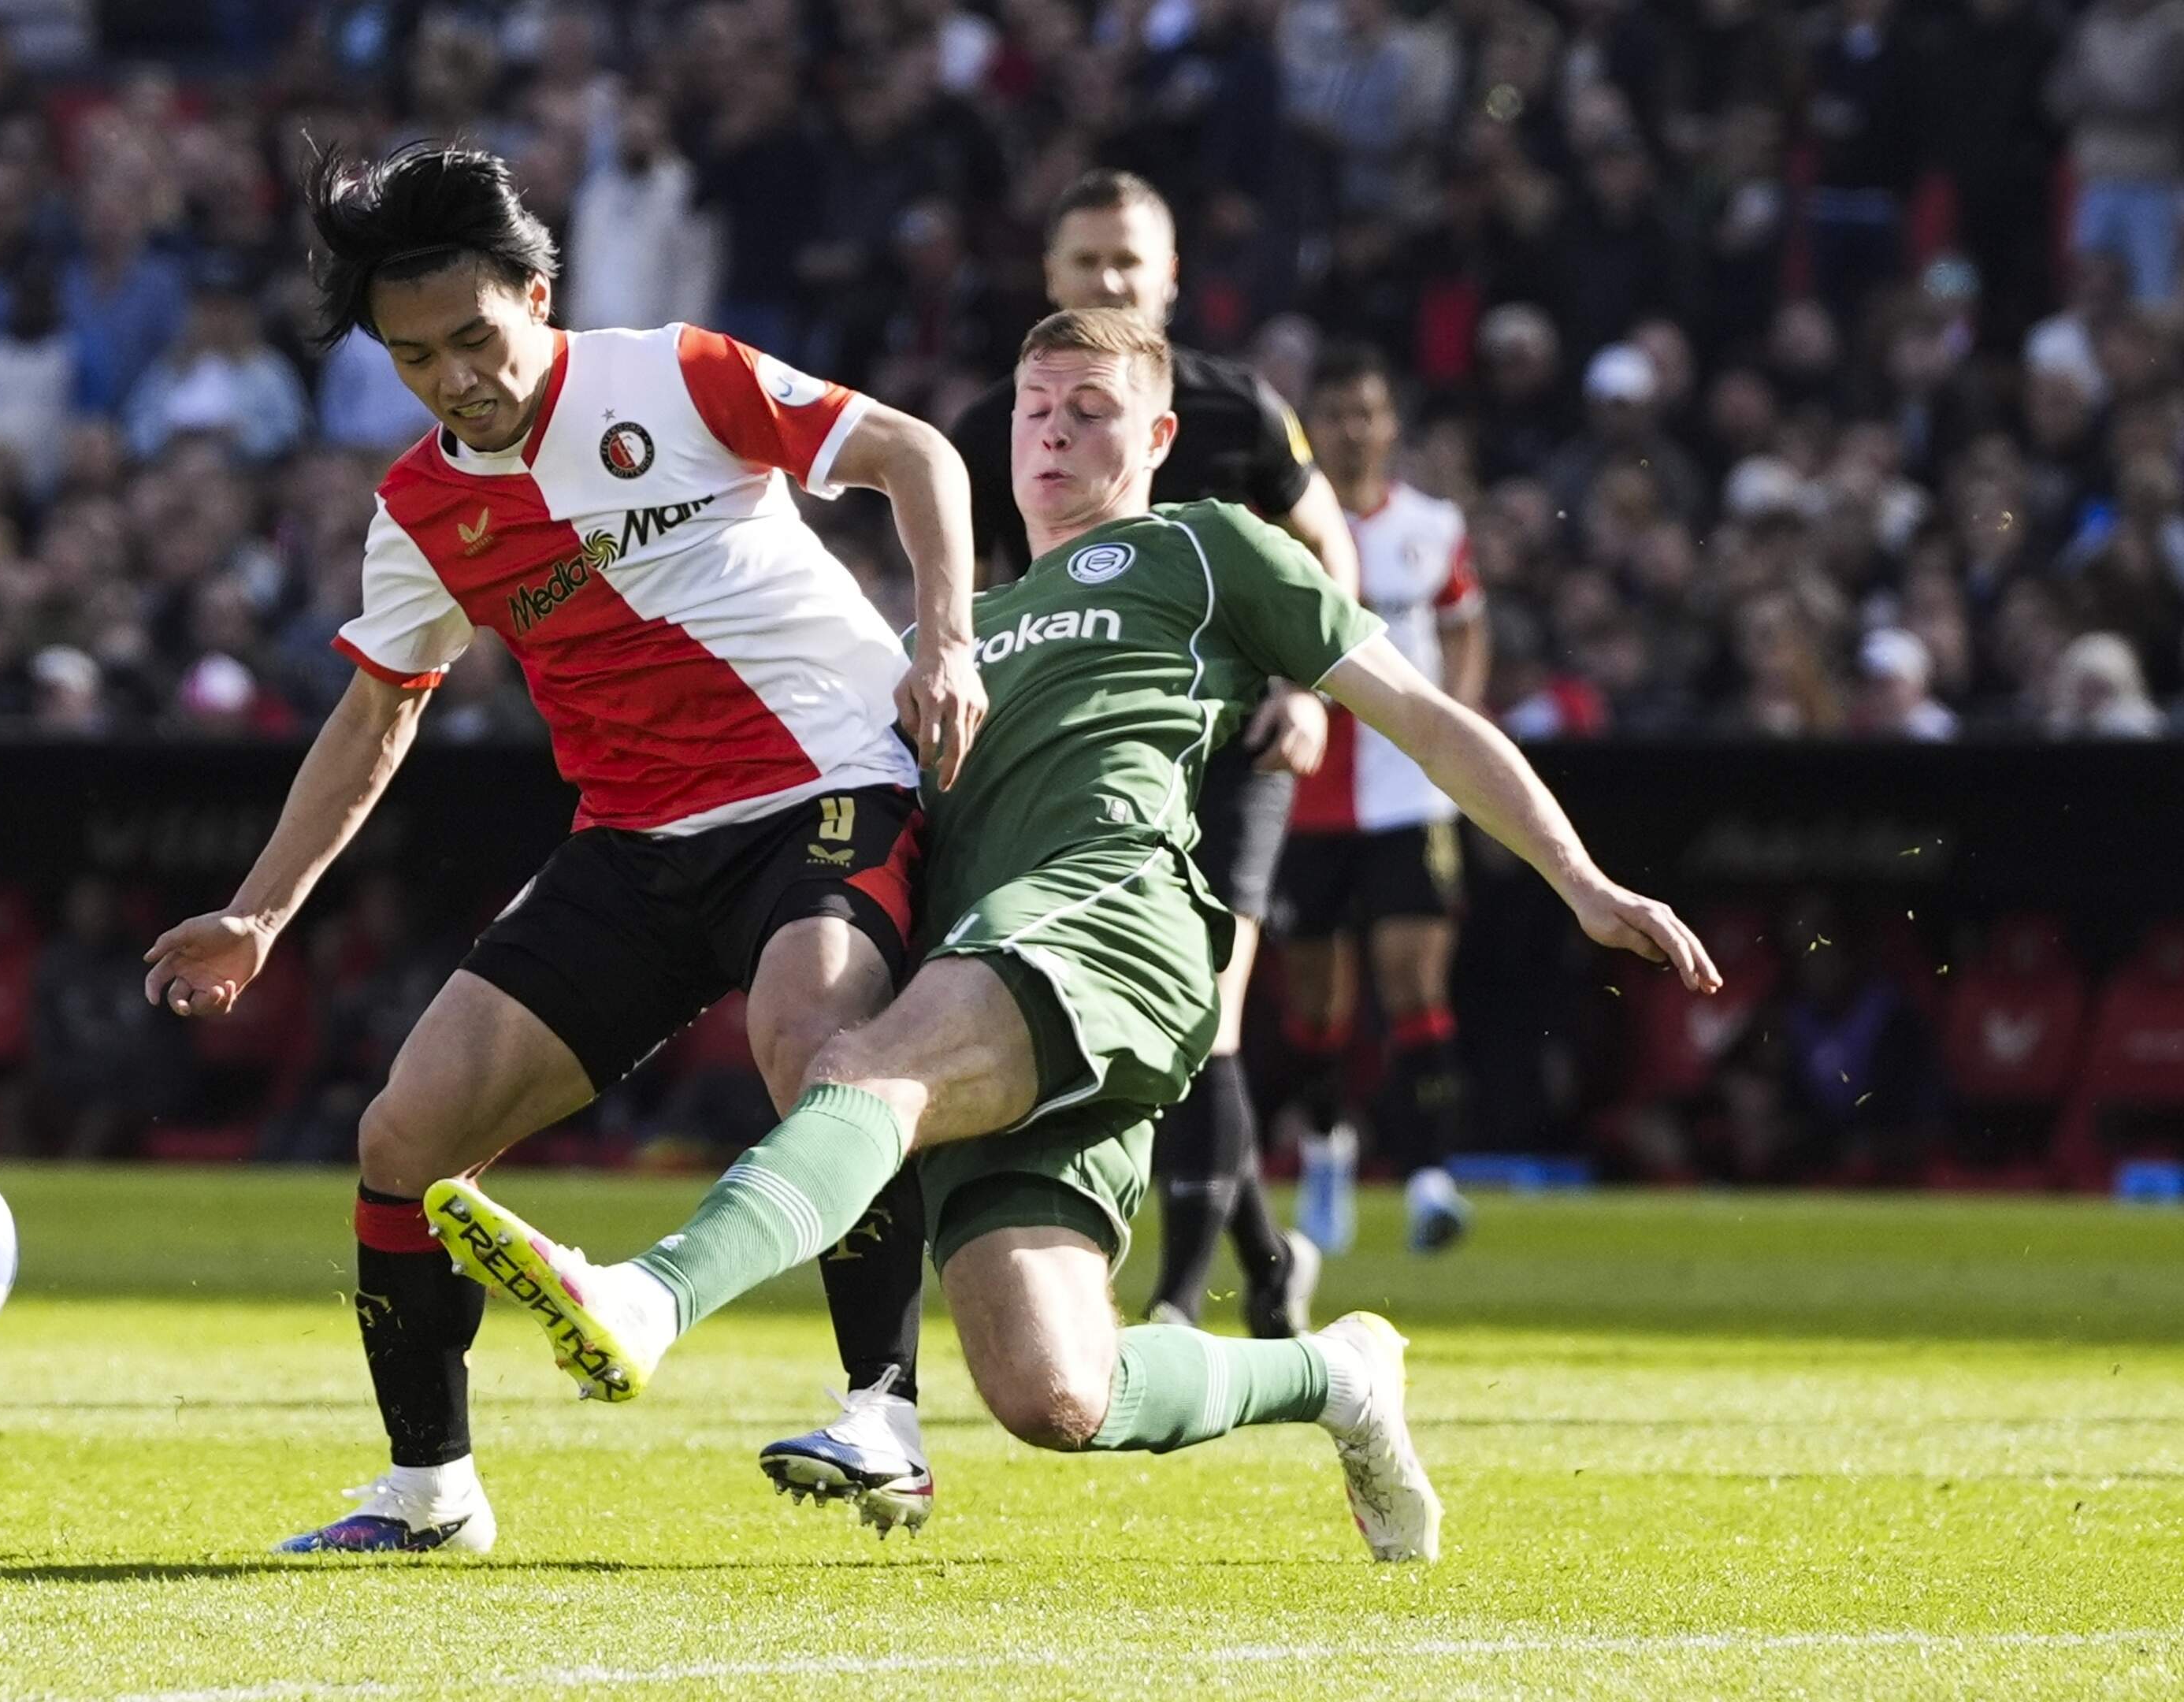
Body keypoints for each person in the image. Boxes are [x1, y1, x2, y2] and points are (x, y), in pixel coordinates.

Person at [421, 307, 1719, 1567]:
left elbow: (1423, 716)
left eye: (1091, 412)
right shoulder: (954, 634)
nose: (1051, 433)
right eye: (1035, 410)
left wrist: (1581, 879)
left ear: (1156, 436)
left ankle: (648, 1298)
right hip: (996, 970)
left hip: (1110, 922)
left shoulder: (1205, 549)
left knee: (867, 1075)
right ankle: (1337, 1372)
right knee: (1056, 1393)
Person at [141, 143, 986, 1556]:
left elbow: (915, 452)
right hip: (637, 841)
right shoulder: (421, 512)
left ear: (540, 294)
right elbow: (372, 720)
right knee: (405, 1137)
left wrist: (946, 640)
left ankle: (881, 1423)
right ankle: (429, 1494)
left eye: (476, 336)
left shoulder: (672, 372)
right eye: (415, 358)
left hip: (829, 782)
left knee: (815, 1045)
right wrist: (260, 915)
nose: (457, 376)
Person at [768, 168, 1364, 1536]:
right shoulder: (996, 422)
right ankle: (1250, 1295)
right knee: (932, 1045)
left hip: (1237, 729)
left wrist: (1309, 693)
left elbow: (1323, 547)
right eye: (1082, 262)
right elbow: (971, 598)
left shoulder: (1237, 406)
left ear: (1168, 280)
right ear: (1050, 272)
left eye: (1127, 264)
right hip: (1041, 748)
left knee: (1206, 1018)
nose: (1104, 283)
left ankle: (1177, 1287)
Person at [1276, 344, 1492, 1257]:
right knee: (1319, 1002)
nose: (1354, 430)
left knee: (1414, 980)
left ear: (1391, 423)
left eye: (1369, 411)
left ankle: (1430, 1178)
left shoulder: (1434, 527)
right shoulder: (1280, 528)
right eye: (1336, 414)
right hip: (1306, 798)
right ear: (1311, 427)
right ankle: (1328, 1155)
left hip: (1410, 793)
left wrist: (1462, 722)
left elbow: (1465, 622)